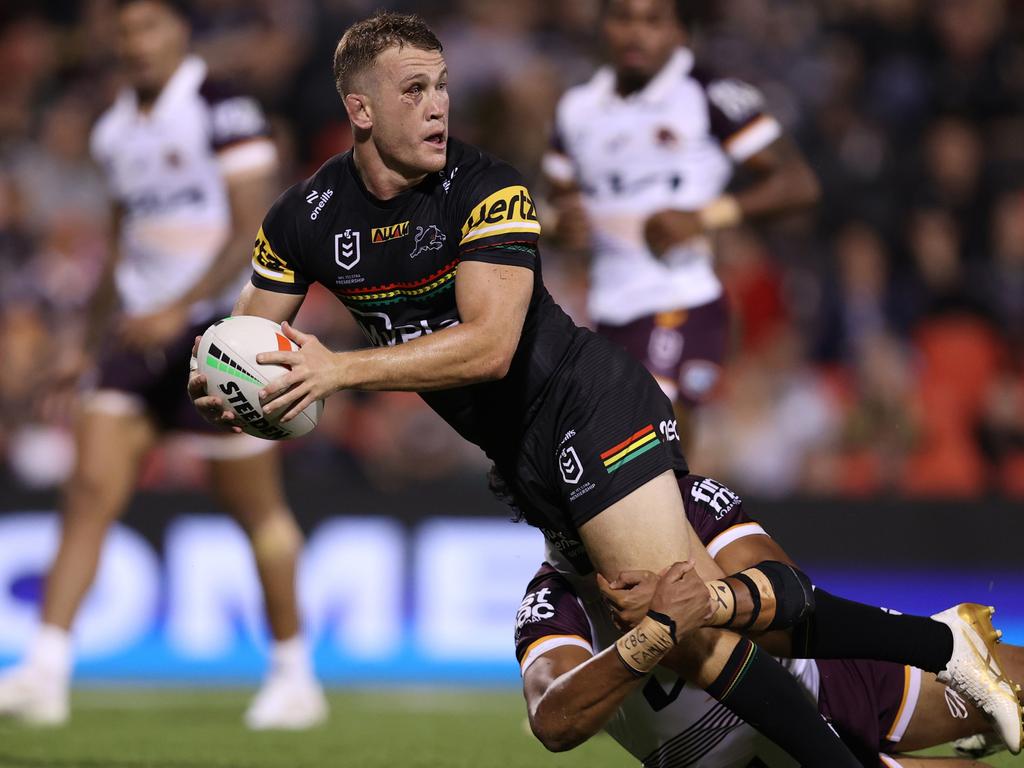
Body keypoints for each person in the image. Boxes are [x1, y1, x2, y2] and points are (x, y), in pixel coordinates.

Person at [186, 11, 1022, 762]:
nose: (439, 104)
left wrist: (336, 369)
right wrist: (224, 381)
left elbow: (488, 346)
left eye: (442, 85)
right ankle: (946, 647)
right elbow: (252, 343)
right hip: (522, 457)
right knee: (704, 614)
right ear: (360, 110)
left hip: (589, 404)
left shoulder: (486, 189)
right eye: (414, 90)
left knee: (684, 628)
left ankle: (905, 695)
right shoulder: (304, 218)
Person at [0, 0, 326, 730]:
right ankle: (45, 671)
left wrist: (178, 310)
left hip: (219, 336)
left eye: (148, 26)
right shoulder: (115, 127)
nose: (135, 41)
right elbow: (122, 243)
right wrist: (83, 343)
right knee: (88, 490)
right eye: (124, 30)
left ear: (179, 31)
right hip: (134, 335)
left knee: (256, 513)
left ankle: (294, 672)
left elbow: (252, 221)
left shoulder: (221, 107)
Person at [513, 471, 1024, 766]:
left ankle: (962, 683)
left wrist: (699, 602)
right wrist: (654, 634)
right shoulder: (551, 602)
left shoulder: (685, 501)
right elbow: (556, 723)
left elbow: (789, 591)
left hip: (831, 677)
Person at [543, 0, 820, 451]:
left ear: (679, 32)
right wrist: (557, 226)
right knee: (610, 454)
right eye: (624, 19)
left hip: (680, 296)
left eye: (653, 20)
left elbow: (799, 183)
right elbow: (556, 203)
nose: (636, 34)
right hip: (606, 308)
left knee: (657, 423)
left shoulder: (708, 93)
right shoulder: (577, 108)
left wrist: (704, 216)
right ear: (604, 26)